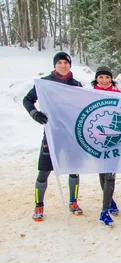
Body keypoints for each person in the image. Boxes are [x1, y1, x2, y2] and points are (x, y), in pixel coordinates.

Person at [23, 52, 84, 221]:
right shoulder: (45, 83)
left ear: (70, 65)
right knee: (43, 172)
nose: (63, 65)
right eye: (60, 62)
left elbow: (83, 105)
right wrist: (34, 113)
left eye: (66, 62)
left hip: (70, 134)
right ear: (55, 65)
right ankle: (39, 205)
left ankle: (73, 202)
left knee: (74, 170)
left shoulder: (76, 84)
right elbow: (27, 100)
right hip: (51, 133)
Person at [92, 66, 120, 226]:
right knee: (103, 174)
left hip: (114, 141)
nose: (104, 80)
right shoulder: (89, 94)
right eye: (101, 77)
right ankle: (110, 201)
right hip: (96, 141)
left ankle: (104, 211)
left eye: (107, 77)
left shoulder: (118, 94)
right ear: (96, 79)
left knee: (110, 175)